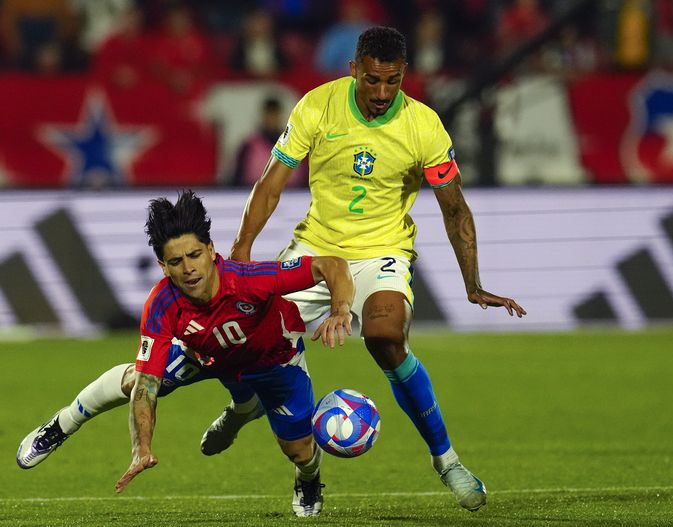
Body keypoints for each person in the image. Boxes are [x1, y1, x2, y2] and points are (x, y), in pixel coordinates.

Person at [201, 26, 527, 513]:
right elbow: (271, 183)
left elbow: (455, 208)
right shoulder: (318, 105)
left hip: (383, 252)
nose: (380, 93)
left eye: (391, 81)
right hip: (317, 247)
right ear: (353, 69)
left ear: (403, 76)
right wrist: (242, 250)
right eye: (371, 80)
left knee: (386, 338)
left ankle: (447, 461)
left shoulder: (424, 126)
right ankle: (249, 411)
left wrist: (473, 284)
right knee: (245, 333)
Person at [16, 190, 354, 517]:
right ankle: (61, 425)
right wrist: (142, 447)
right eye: (176, 261)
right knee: (135, 377)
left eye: (194, 255)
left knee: (299, 451)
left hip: (274, 364)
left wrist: (340, 309)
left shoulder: (251, 279)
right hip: (205, 357)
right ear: (163, 266)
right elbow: (147, 385)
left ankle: (306, 477)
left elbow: (332, 265)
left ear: (210, 249)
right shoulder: (162, 304)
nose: (188, 268)